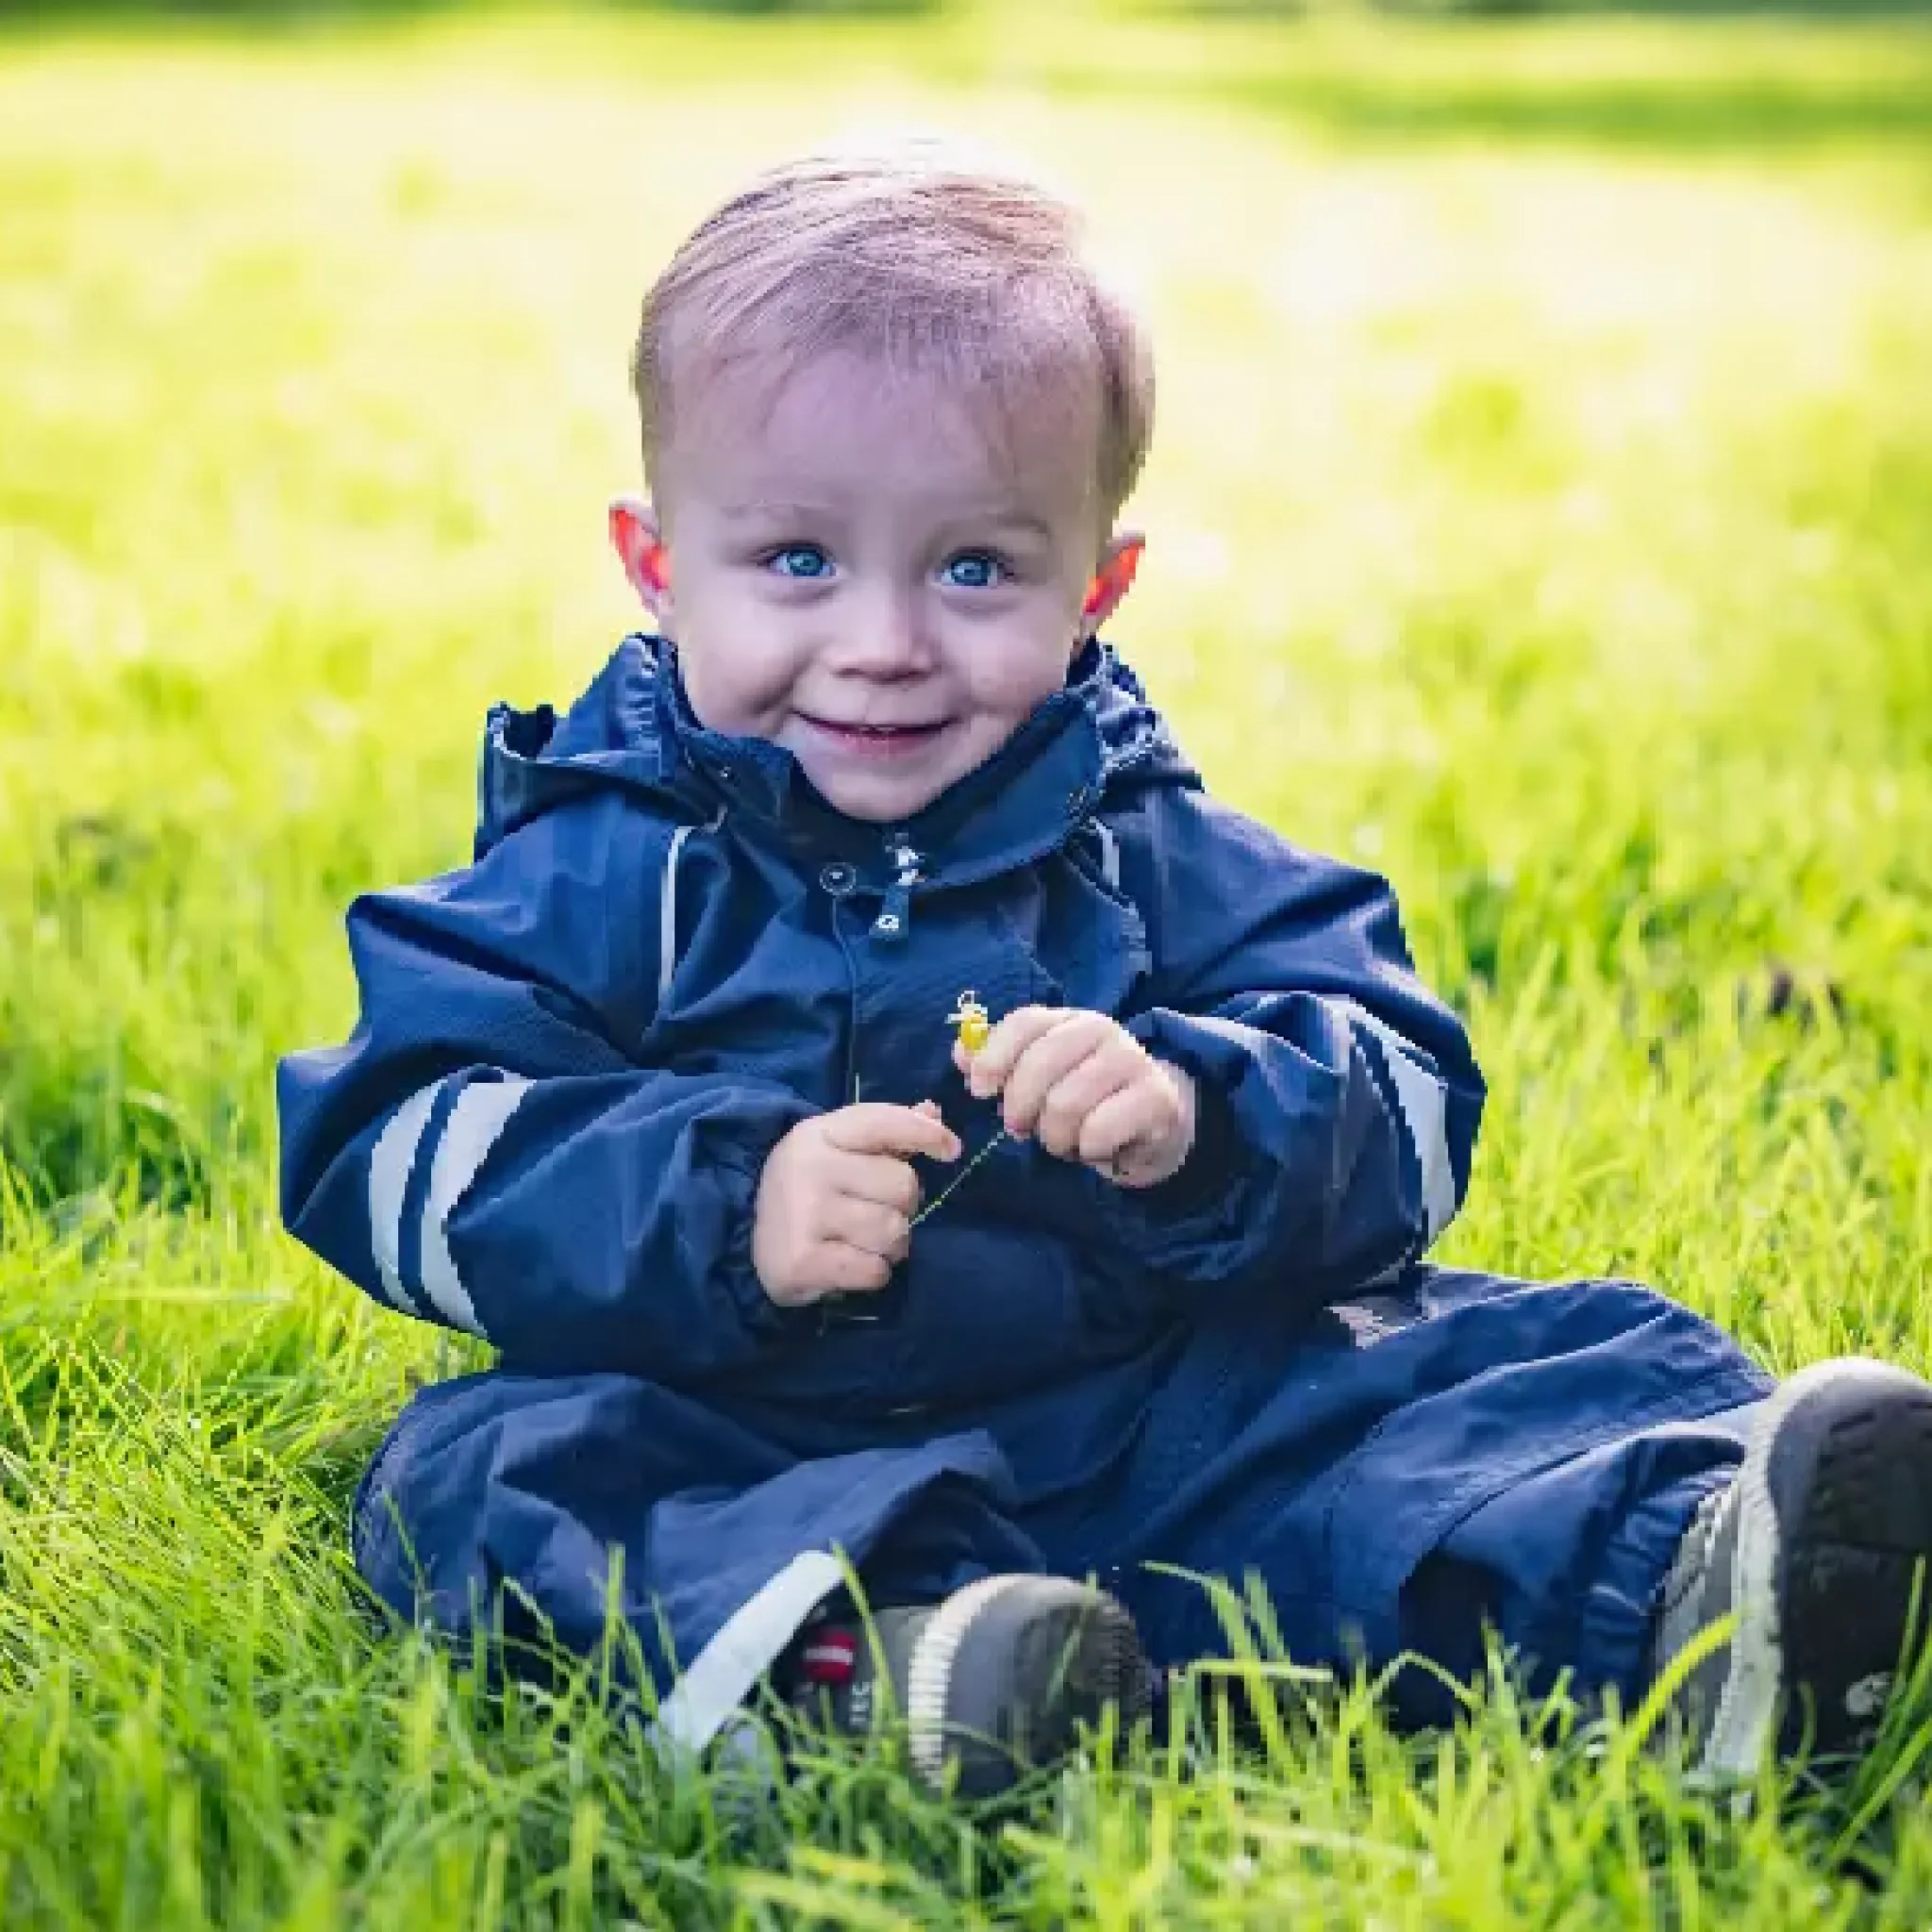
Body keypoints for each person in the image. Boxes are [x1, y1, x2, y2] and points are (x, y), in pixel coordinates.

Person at [277, 142, 1932, 1798]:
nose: (883, 640)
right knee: (489, 1474)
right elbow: (400, 1136)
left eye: (974, 568)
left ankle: (1699, 1597)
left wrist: (1199, 1115)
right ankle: (899, 1670)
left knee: (1473, 1373)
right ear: (655, 564)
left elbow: (1411, 1103)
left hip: (1156, 1405)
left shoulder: (1144, 844)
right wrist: (724, 1205)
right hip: (743, 1418)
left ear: (1099, 584)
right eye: (797, 561)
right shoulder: (600, 860)